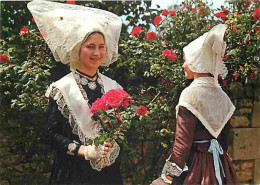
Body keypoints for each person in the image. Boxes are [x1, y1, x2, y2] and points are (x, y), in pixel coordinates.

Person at [28, 1, 123, 184]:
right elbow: (52, 135)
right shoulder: (62, 88)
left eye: (101, 46)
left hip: (108, 173)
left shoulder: (114, 87)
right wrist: (85, 151)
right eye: (90, 46)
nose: (97, 52)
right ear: (78, 49)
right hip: (73, 171)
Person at [151, 24, 238, 185]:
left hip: (196, 169)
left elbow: (182, 144)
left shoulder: (191, 94)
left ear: (197, 62)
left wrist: (168, 177)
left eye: (186, 60)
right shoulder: (222, 95)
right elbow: (224, 141)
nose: (184, 65)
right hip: (220, 164)